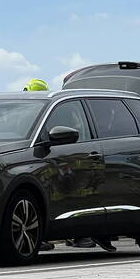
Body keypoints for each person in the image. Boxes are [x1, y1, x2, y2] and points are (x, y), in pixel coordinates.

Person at [22, 77, 116, 252]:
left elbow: (74, 131)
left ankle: (81, 233)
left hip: (69, 157)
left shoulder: (57, 109)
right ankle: (45, 235)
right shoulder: (33, 110)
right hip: (62, 157)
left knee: (75, 193)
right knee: (68, 194)